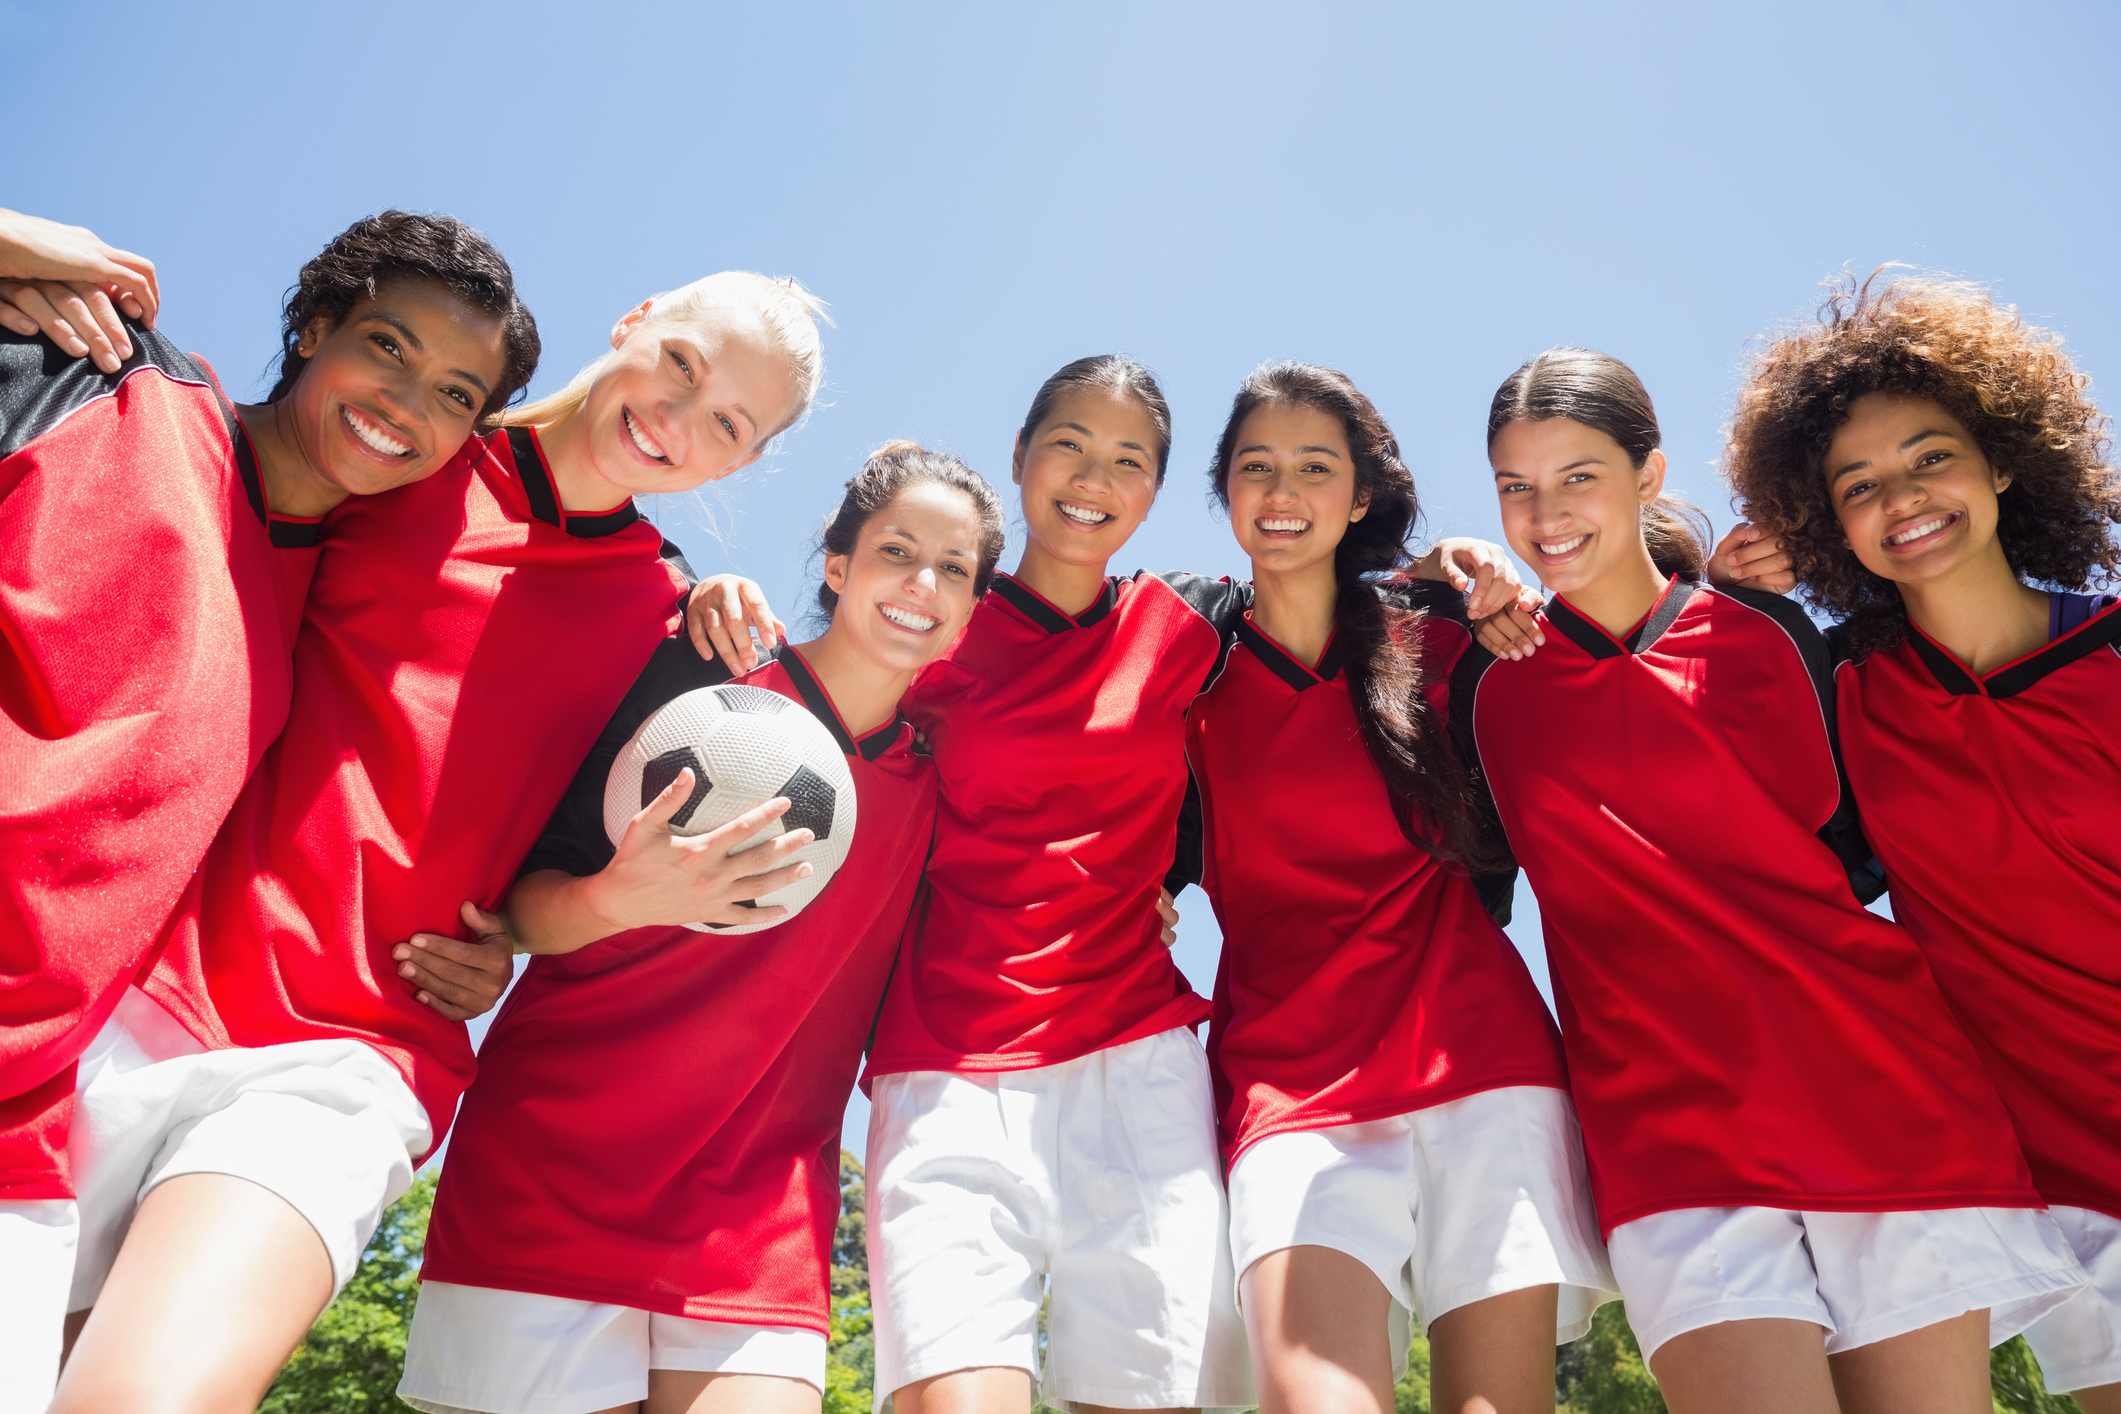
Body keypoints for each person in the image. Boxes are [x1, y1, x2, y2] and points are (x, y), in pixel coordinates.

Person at [45, 268, 828, 1414]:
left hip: (350, 1055)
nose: (677, 416)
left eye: (726, 423)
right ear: (634, 323)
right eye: (680, 363)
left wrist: (605, 901)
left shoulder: (673, 634)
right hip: (122, 982)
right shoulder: (394, 449)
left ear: (740, 465)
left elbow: (535, 898)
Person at [840, 354, 1525, 1414]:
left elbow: (1341, 610)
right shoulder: (934, 633)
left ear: (1157, 492)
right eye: (1068, 443)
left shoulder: (1181, 627)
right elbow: (811, 716)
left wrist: (1453, 565)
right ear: (1018, 457)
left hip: (1140, 1065)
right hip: (953, 1066)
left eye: (1128, 458)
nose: (1092, 474)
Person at [1451, 346, 2084, 1414]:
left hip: (1881, 1103)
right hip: (1672, 1147)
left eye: (1579, 476)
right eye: (1516, 485)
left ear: (1649, 476)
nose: (1545, 512)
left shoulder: (1775, 635)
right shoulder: (1480, 680)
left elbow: (1862, 855)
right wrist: (1453, 563)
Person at [0, 207, 533, 1414]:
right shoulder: (93, 376)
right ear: (310, 327)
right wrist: (23, 239)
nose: (408, 403)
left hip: (33, 1118)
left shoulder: (326, 598)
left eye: (456, 393)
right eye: (388, 347)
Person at [395, 441, 1006, 1414]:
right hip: (555, 1169)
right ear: (838, 565)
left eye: (954, 568)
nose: (921, 583)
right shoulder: (694, 690)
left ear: (975, 609)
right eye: (896, 550)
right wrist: (620, 898)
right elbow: (519, 910)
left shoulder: (947, 783)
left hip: (756, 1207)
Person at [1181, 362, 1615, 1414]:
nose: (1283, 492)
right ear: (1225, 490)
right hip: (1293, 1090)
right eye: (1257, 467)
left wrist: (1735, 572)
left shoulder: (1446, 634)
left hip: (1484, 1069)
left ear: (1361, 496)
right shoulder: (1186, 663)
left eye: (1315, 468)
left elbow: (1618, 649)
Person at [1720, 274, 2121, 1413]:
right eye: (1860, 484)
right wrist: (1723, 603)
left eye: (1931, 456)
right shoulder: (1844, 691)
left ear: (2000, 462)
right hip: (2062, 1190)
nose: (1903, 496)